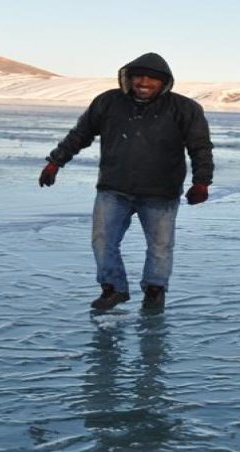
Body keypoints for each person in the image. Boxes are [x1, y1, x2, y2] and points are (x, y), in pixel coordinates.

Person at [39, 52, 213, 312]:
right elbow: (80, 134)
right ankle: (113, 288)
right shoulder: (108, 102)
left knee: (160, 246)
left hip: (160, 191)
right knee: (102, 240)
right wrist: (56, 161)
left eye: (152, 78)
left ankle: (155, 290)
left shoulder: (184, 108)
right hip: (114, 187)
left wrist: (202, 182)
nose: (144, 82)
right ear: (128, 78)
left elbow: (200, 147)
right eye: (138, 76)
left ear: (164, 82)